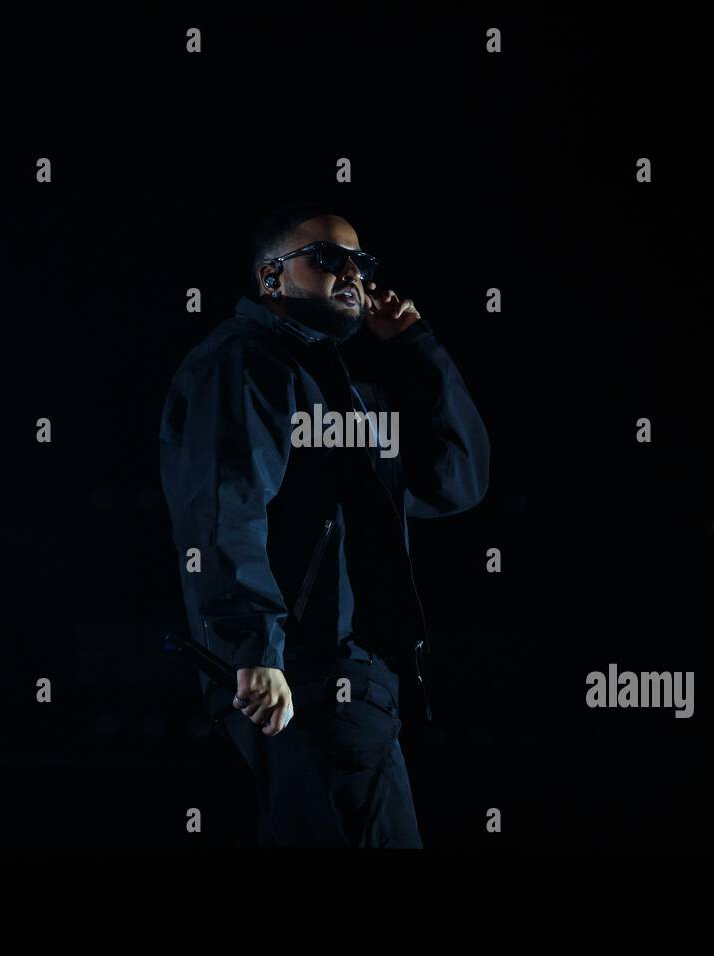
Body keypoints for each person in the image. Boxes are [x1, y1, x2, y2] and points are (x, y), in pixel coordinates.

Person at [159, 202, 490, 847]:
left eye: (360, 261)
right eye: (327, 258)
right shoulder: (246, 362)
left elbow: (458, 478)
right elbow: (227, 504)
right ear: (271, 279)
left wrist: (418, 347)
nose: (353, 275)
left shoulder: (350, 393)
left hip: (363, 691)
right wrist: (253, 645)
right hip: (299, 681)